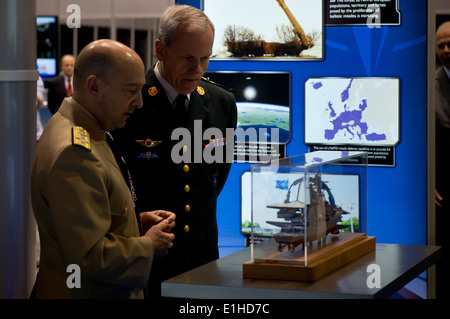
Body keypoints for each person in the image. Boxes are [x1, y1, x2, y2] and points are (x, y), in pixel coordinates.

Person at [31, 39, 175, 299]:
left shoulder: (85, 127)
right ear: (94, 86)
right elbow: (88, 257)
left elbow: (80, 225)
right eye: (131, 90)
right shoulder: (74, 151)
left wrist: (133, 224)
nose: (139, 102)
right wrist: (147, 246)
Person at [113, 5, 237, 297]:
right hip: (149, 259)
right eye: (188, 59)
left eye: (205, 58)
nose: (198, 70)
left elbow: (217, 177)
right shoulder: (129, 103)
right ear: (160, 49)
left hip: (202, 256)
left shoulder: (222, 103)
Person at [435, 21, 450, 299]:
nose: (446, 50)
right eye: (441, 46)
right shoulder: (430, 84)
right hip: (444, 190)